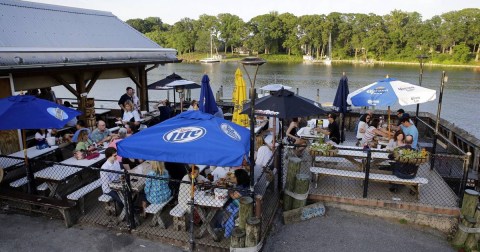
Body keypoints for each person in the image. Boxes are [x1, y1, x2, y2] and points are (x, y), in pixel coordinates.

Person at [222, 169, 250, 238]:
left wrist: (228, 188)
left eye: (234, 177)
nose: (233, 178)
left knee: (229, 214)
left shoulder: (242, 188)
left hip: (241, 206)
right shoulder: (244, 183)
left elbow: (233, 196)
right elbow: (232, 183)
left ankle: (227, 233)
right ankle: (223, 225)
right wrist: (228, 180)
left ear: (239, 178)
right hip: (238, 203)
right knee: (224, 208)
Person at [100, 147, 124, 215]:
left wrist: (121, 178)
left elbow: (119, 174)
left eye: (116, 155)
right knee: (122, 200)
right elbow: (108, 184)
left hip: (117, 184)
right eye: (115, 155)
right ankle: (125, 212)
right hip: (109, 189)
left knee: (127, 195)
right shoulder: (104, 168)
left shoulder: (116, 162)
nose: (117, 157)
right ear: (109, 156)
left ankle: (125, 210)